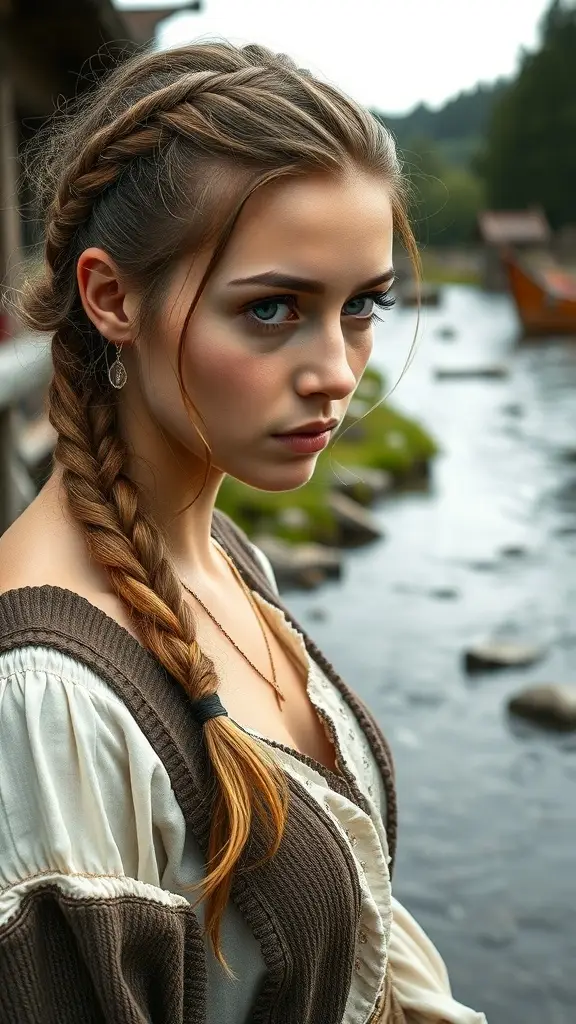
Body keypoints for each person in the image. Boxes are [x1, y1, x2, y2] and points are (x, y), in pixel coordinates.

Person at [0, 41, 486, 1024]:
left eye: (363, 307)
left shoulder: (221, 557)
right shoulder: (43, 700)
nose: (338, 372)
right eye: (273, 309)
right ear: (111, 296)